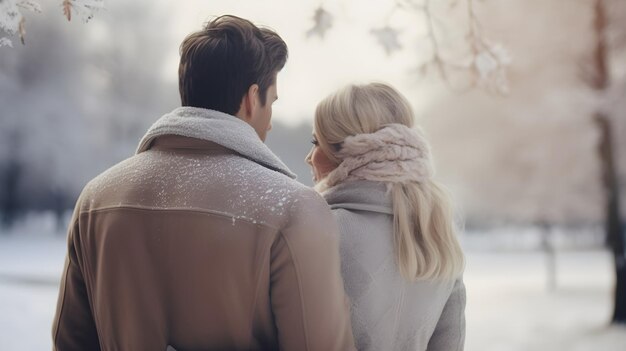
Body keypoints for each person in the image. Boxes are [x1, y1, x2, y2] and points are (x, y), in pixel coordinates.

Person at [52, 15, 355, 351]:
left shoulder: (96, 198)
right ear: (252, 99)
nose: (269, 123)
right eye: (272, 102)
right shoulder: (293, 208)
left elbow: (71, 342)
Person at [305, 82, 466, 351]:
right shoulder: (437, 232)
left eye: (316, 142)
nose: (310, 157)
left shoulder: (319, 230)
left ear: (351, 153)